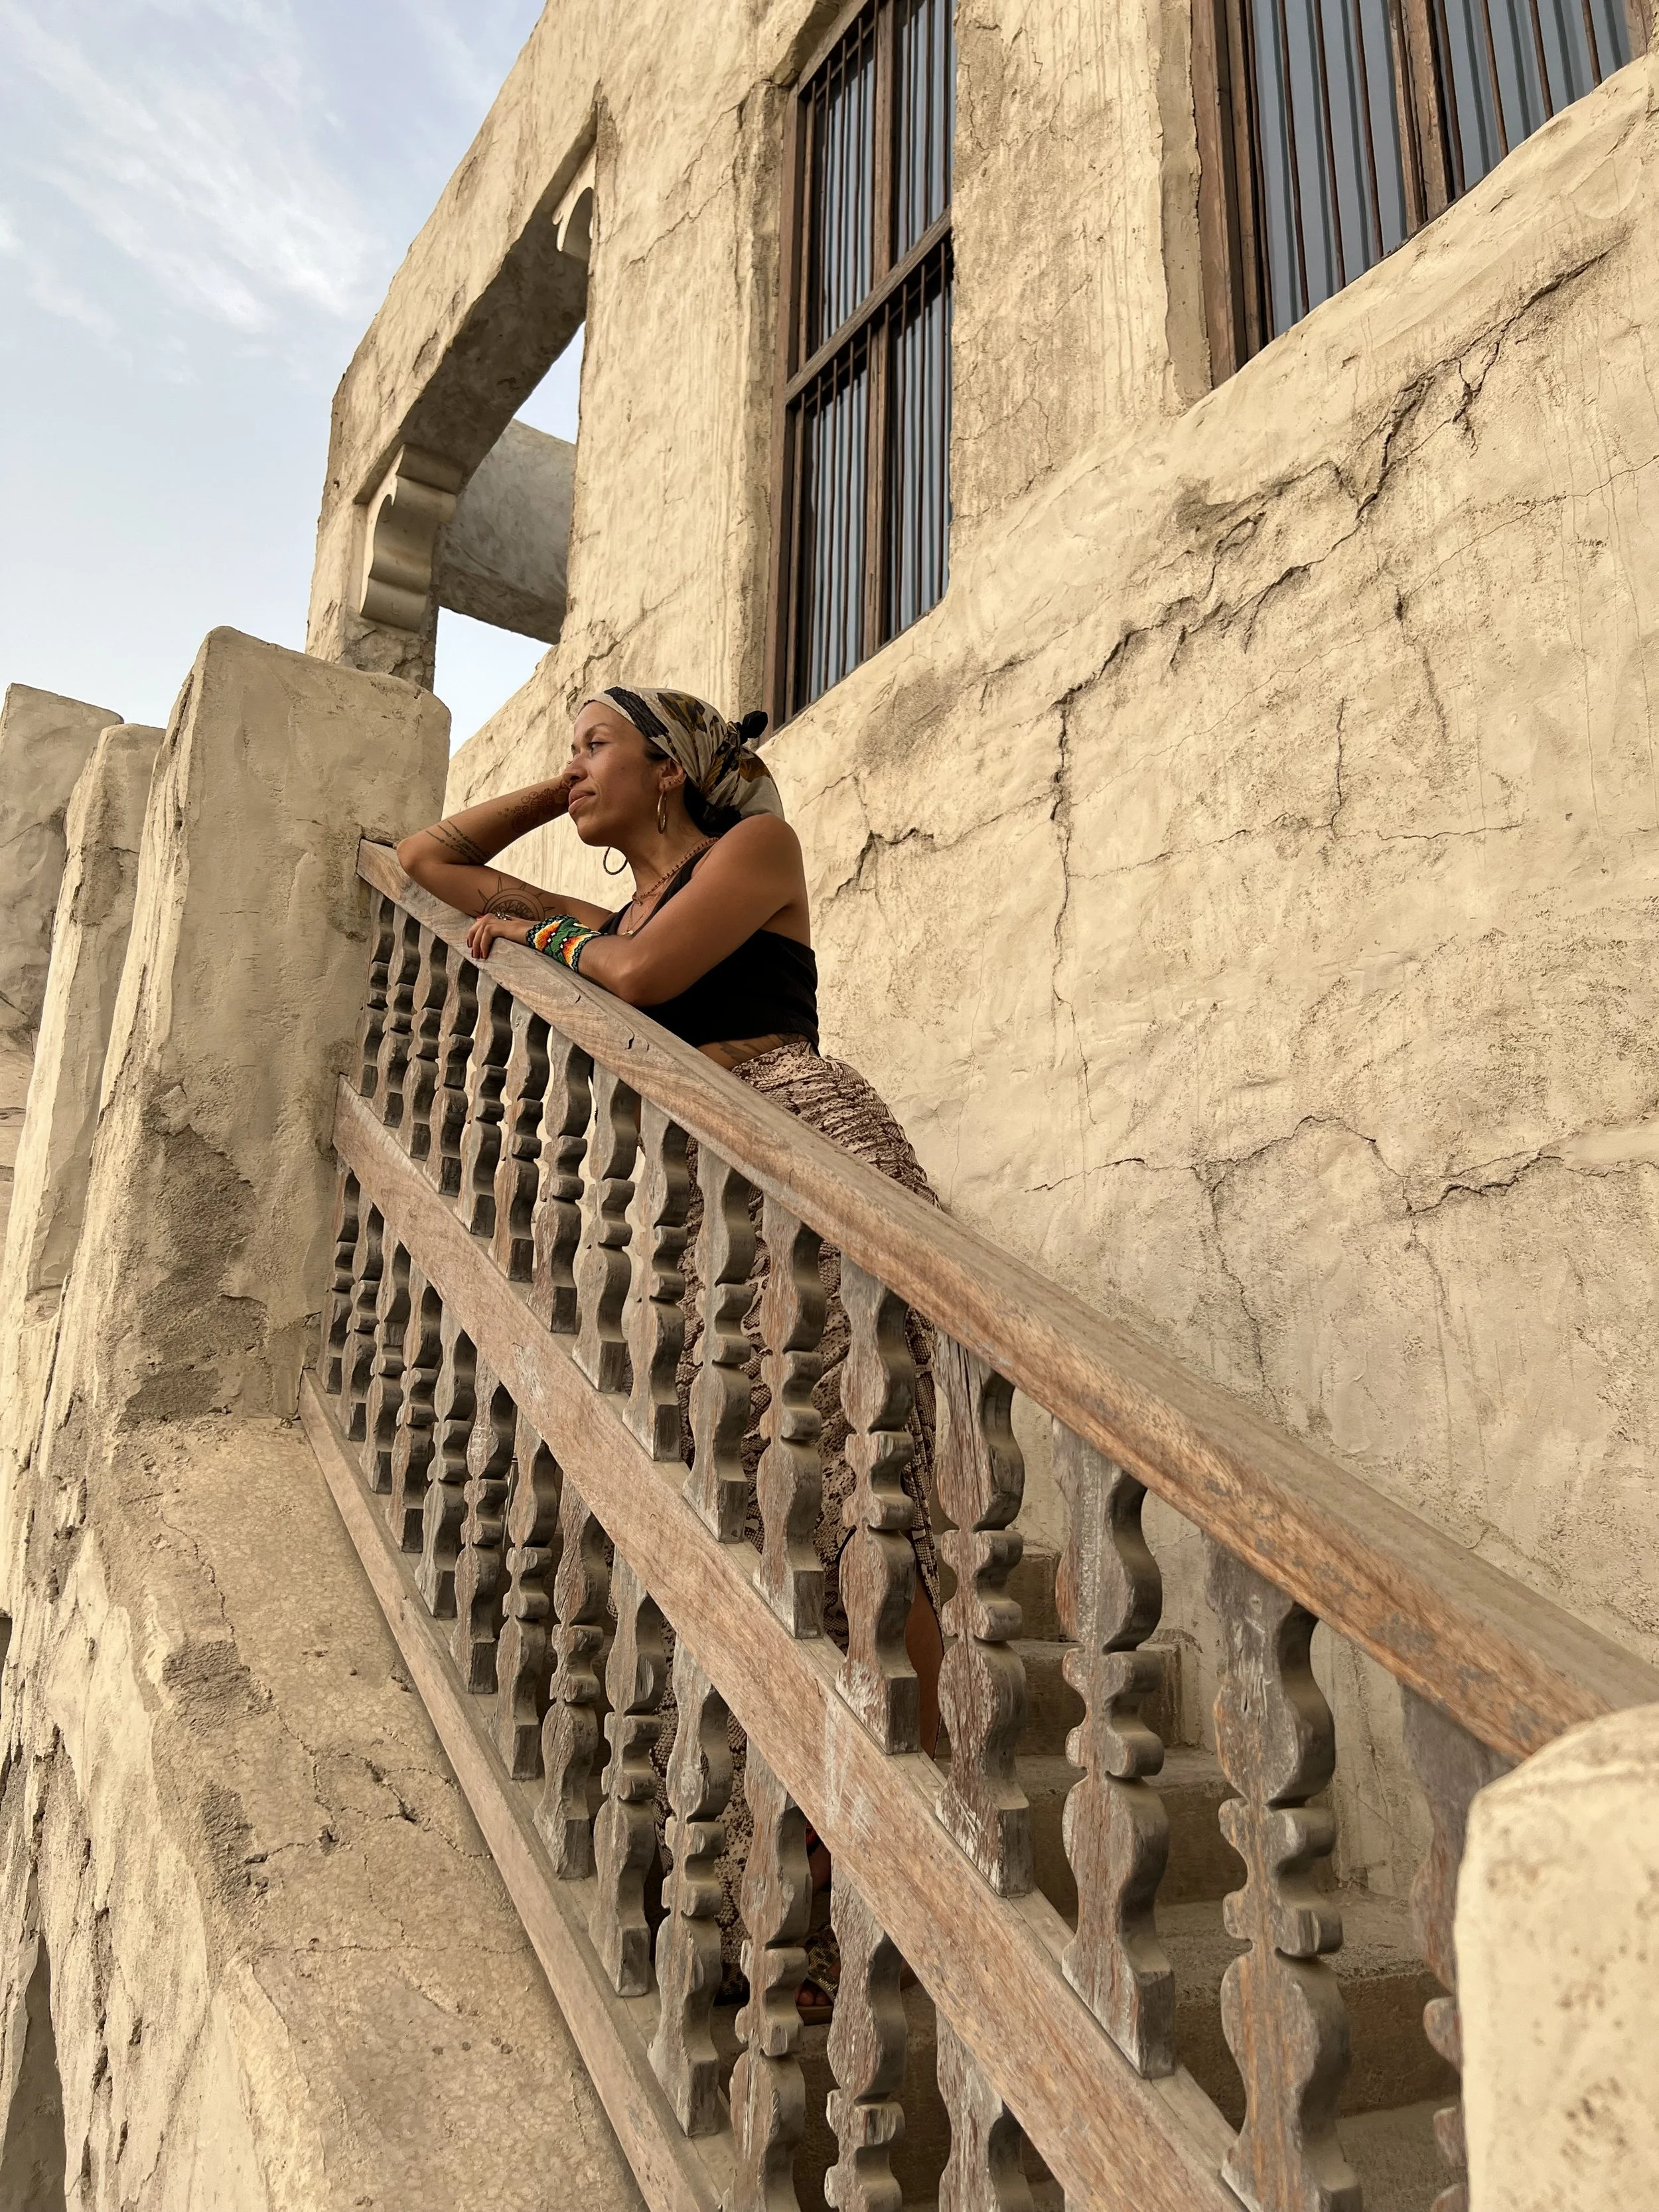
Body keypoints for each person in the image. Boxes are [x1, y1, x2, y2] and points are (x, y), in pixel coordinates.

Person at [398, 686, 942, 2016]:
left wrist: (538, 930)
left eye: (593, 743)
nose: (570, 765)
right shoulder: (631, 903)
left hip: (807, 1135)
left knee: (881, 1499)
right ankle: (819, 1881)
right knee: (779, 1523)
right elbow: (428, 862)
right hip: (715, 1195)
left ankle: (948, 1799)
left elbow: (640, 982)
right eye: (568, 746)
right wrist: (561, 797)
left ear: (668, 761)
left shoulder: (750, 853)